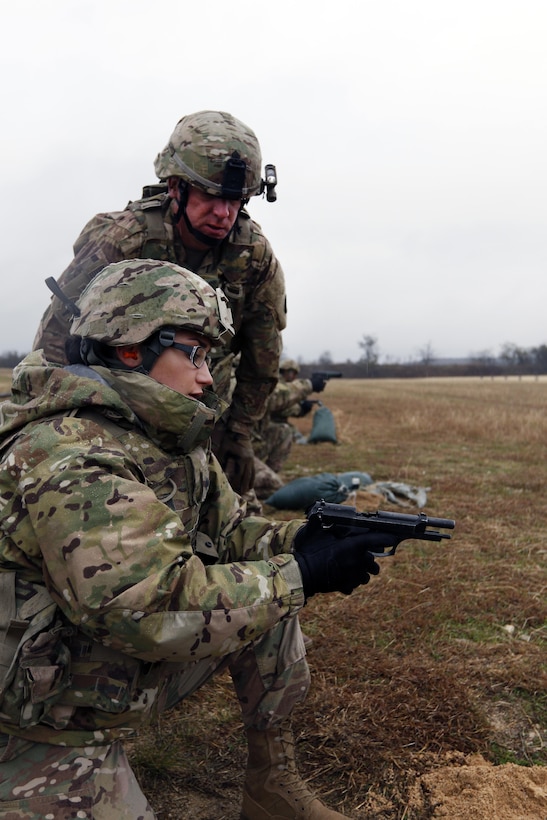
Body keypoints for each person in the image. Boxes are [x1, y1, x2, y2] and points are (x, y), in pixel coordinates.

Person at [0, 260, 396, 819]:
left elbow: (230, 536)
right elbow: (147, 607)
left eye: (209, 358)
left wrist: (305, 539)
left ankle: (272, 788)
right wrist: (300, 574)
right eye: (193, 354)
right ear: (130, 348)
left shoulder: (166, 440)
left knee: (270, 606)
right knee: (275, 591)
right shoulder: (70, 453)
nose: (207, 377)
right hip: (36, 711)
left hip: (90, 669)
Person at [32, 109, 287, 496]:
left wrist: (239, 433)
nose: (223, 213)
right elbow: (57, 336)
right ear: (174, 187)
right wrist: (52, 421)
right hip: (114, 404)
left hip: (200, 402)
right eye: (210, 196)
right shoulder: (124, 240)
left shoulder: (252, 256)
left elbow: (262, 357)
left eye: (235, 200)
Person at [253, 359, 328, 475]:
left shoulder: (282, 384)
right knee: (286, 432)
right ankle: (266, 476)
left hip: (265, 426)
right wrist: (299, 409)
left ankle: (266, 474)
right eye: (290, 373)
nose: (292, 376)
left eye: (294, 373)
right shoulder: (276, 383)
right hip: (261, 427)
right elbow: (276, 405)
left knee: (287, 431)